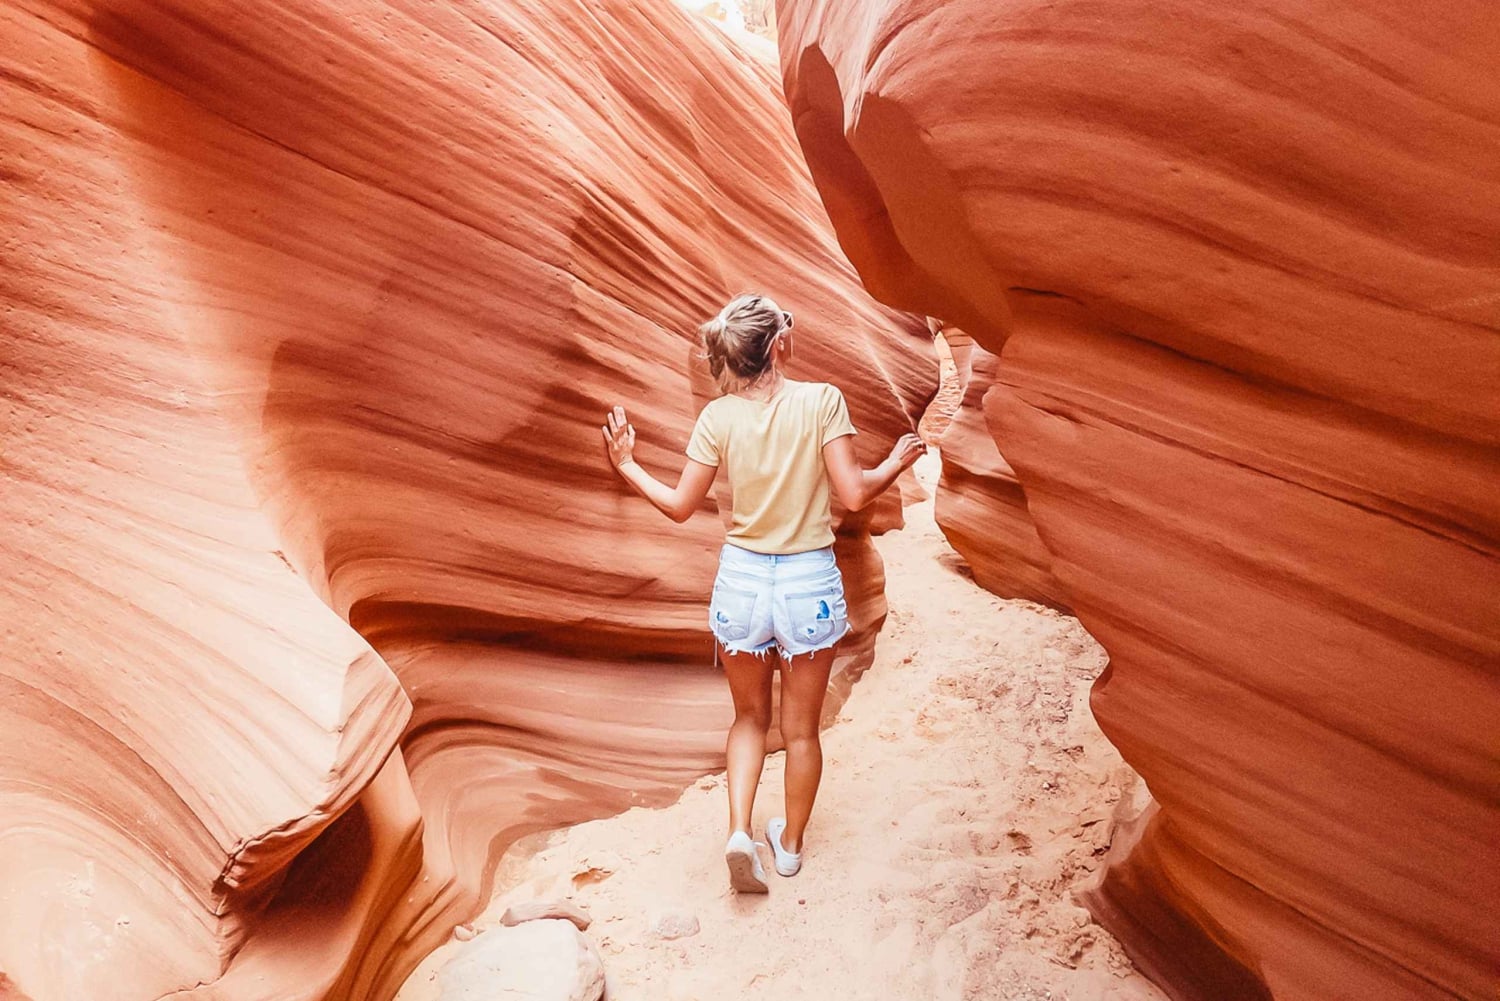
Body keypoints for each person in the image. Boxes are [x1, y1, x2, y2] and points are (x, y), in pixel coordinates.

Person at [602, 292, 925, 893]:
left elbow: (679, 506)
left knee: (749, 718)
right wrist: (898, 463)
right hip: (808, 583)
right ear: (778, 344)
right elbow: (854, 494)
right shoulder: (822, 401)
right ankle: (791, 847)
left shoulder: (718, 417)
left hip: (742, 583)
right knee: (800, 732)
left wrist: (627, 465)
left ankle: (737, 833)